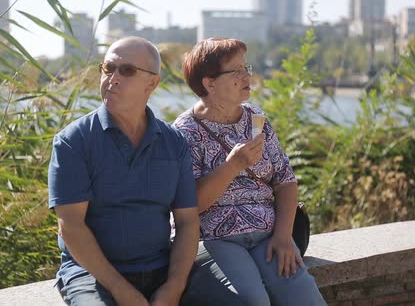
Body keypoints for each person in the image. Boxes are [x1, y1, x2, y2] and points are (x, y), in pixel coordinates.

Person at [173, 37, 327, 306]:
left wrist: (283, 235)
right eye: (237, 71)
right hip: (216, 238)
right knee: (253, 301)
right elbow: (189, 205)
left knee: (304, 295)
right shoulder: (185, 133)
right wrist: (233, 165)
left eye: (247, 68)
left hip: (268, 234)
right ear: (209, 83)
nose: (247, 76)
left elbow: (285, 182)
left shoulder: (256, 119)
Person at [48, 36, 199, 306]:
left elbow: (187, 221)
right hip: (92, 275)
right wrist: (122, 291)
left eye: (126, 71)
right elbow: (70, 226)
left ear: (152, 83)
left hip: (162, 269)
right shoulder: (73, 142)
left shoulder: (174, 142)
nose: (112, 78)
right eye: (108, 68)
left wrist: (174, 286)